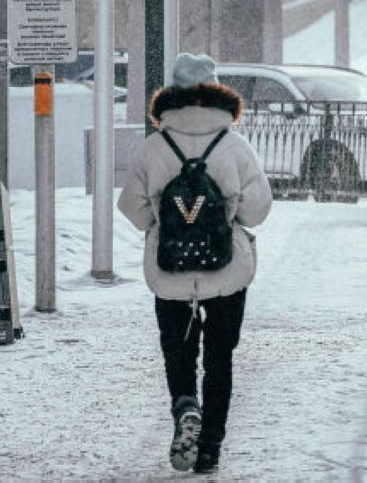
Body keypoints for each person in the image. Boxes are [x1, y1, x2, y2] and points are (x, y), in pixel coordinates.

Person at [118, 53, 273, 474]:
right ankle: (209, 449)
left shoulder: (154, 146)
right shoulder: (235, 146)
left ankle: (186, 405)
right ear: (217, 92)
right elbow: (258, 211)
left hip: (169, 272)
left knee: (178, 354)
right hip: (226, 271)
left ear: (172, 93)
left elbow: (132, 209)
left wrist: (164, 219)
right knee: (220, 359)